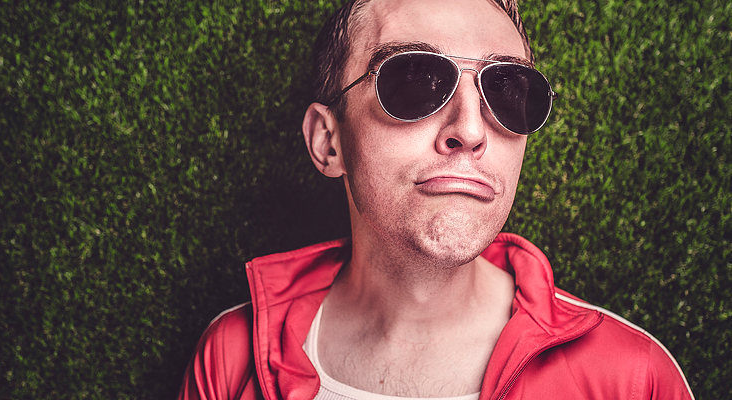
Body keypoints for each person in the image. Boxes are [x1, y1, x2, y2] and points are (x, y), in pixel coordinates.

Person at [178, 0, 695, 399]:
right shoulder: (230, 358)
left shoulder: (632, 378)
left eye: (507, 90)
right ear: (328, 141)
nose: (470, 130)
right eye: (414, 81)